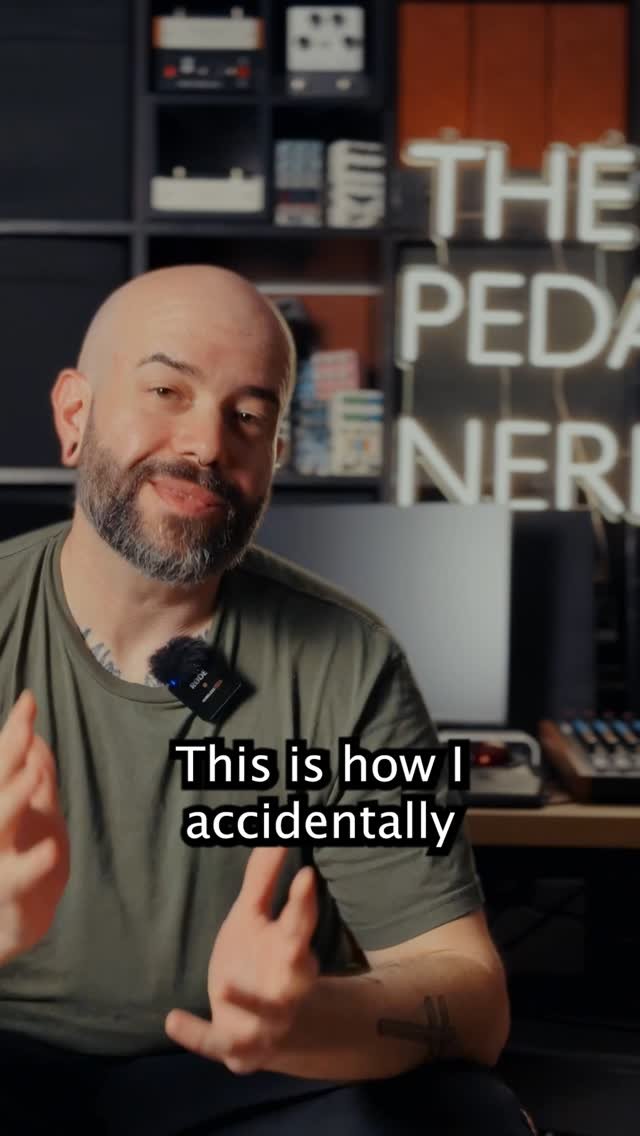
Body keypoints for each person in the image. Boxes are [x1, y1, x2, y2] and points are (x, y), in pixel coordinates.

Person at [0, 265, 534, 1134]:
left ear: (275, 456)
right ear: (74, 414)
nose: (207, 444)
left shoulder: (346, 663)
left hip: (237, 1082)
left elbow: (471, 996)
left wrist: (305, 1019)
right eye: (167, 390)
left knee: (467, 1116)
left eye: (249, 416)